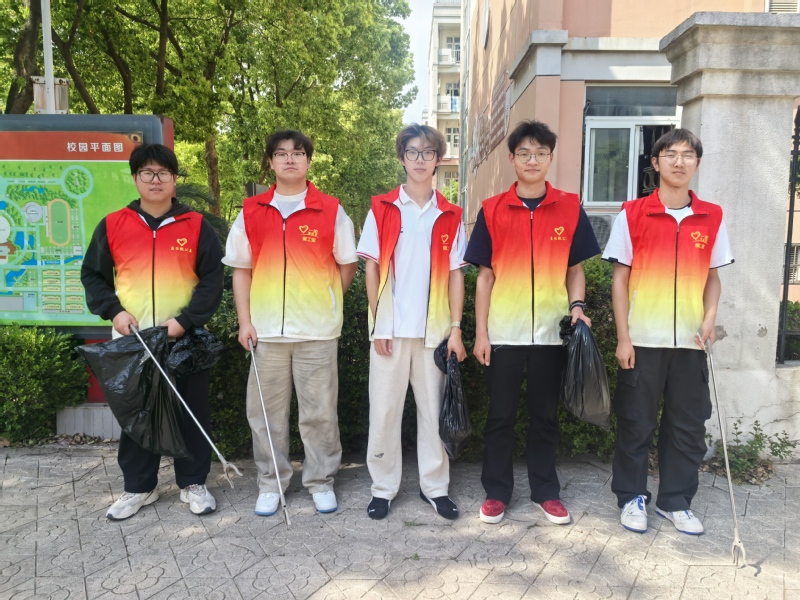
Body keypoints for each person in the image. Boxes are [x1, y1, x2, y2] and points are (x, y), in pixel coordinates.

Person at [466, 120, 600, 525]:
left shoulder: (569, 207)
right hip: (503, 333)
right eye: (524, 153)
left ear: (550, 158)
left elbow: (575, 269)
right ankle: (496, 492)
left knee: (545, 417)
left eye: (540, 153)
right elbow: (484, 278)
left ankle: (546, 491)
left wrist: (577, 306)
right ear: (512, 158)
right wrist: (481, 333)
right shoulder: (492, 209)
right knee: (500, 417)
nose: (532, 160)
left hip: (550, 334)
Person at [81, 143, 224, 520]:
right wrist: (114, 312)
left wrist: (186, 320)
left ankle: (193, 483)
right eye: (147, 173)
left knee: (191, 413)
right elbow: (93, 276)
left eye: (163, 173)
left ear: (174, 179)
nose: (155, 180)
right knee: (137, 416)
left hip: (184, 339)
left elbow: (213, 279)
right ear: (135, 178)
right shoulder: (113, 224)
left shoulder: (196, 225)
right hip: (134, 340)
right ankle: (139, 487)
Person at [603, 128, 733, 535]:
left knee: (687, 426)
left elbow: (713, 278)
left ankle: (675, 501)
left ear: (697, 163)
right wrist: (623, 337)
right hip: (643, 340)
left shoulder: (711, 216)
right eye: (671, 154)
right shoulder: (632, 214)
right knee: (636, 423)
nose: (680, 161)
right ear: (656, 163)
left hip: (691, 343)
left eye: (688, 155)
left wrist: (710, 318)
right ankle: (631, 497)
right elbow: (620, 279)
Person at [224, 130, 358, 516]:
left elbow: (347, 265)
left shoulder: (331, 209)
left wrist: (324, 299)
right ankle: (271, 482)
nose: (290, 159)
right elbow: (241, 270)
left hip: (317, 332)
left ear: (308, 161)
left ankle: (320, 481)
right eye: (281, 154)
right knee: (265, 414)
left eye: (298, 153)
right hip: (265, 332)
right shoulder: (251, 211)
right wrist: (245, 322)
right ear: (270, 162)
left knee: (320, 412)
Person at [356, 123, 467, 521]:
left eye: (428, 152)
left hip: (434, 333)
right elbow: (371, 269)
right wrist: (378, 324)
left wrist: (456, 329)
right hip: (390, 331)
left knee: (433, 412)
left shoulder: (451, 214)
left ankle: (435, 487)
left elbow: (456, 274)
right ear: (402, 158)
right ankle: (383, 489)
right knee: (384, 412)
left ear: (438, 159)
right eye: (413, 152)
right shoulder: (382, 208)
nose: (420, 159)